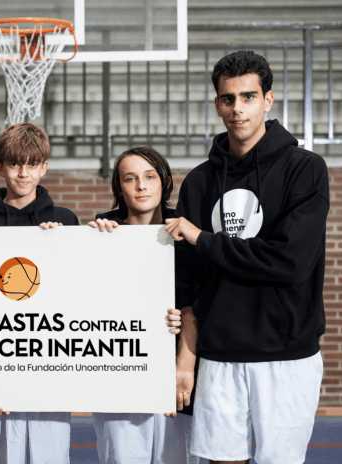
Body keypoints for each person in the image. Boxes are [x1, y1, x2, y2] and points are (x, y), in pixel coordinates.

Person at [165, 50, 329, 464]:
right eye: (228, 98)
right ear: (217, 104)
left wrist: (204, 239)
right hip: (219, 354)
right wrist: (186, 358)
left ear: (267, 100)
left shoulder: (305, 169)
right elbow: (188, 281)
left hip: (286, 354)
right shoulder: (199, 182)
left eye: (248, 97)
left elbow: (290, 261)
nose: (237, 108)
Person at [0, 122, 79, 464]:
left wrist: (60, 246)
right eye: (14, 164)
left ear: (44, 167)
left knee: (53, 455)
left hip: (50, 358)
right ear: (0, 167)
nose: (23, 173)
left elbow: (78, 289)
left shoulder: (64, 221)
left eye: (32, 164)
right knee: (4, 453)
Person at [89, 147, 198, 464]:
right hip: (119, 374)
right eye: (130, 178)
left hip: (173, 372)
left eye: (150, 176)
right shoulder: (100, 233)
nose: (141, 186)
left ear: (165, 183)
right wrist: (82, 245)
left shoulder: (187, 232)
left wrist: (183, 364)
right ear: (119, 187)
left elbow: (196, 303)